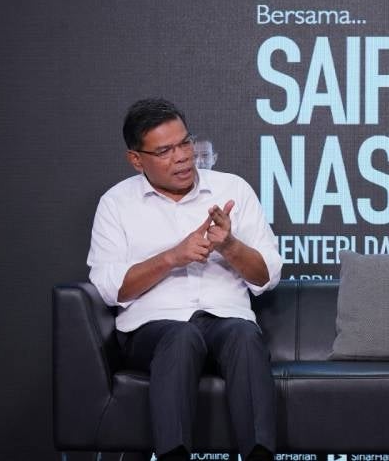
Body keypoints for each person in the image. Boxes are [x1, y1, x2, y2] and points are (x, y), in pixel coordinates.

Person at [87, 99, 282, 461]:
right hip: (153, 330)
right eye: (164, 150)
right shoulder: (116, 204)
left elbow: (267, 276)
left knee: (243, 334)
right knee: (181, 335)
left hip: (225, 321)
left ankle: (259, 456)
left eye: (185, 143)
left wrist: (229, 245)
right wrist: (172, 258)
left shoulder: (233, 190)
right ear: (136, 159)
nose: (182, 157)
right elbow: (109, 287)